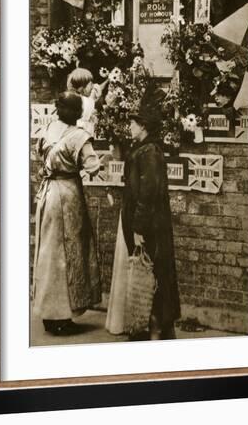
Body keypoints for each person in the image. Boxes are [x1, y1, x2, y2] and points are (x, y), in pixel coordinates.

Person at [106, 87, 181, 340]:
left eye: (133, 123)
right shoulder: (144, 149)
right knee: (150, 272)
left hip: (149, 226)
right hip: (148, 224)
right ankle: (152, 327)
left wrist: (138, 228)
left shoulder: (149, 152)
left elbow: (147, 194)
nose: (130, 126)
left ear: (144, 126)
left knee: (150, 273)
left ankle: (154, 329)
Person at [32, 92, 102, 336]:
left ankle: (48, 313)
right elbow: (93, 166)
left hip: (48, 193)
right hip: (67, 194)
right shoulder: (79, 136)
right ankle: (60, 315)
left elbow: (38, 153)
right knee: (66, 253)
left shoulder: (48, 129)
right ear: (77, 113)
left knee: (48, 252)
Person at [66, 68, 107, 136]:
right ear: (82, 86)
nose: (92, 87)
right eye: (90, 84)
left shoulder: (75, 99)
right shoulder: (83, 101)